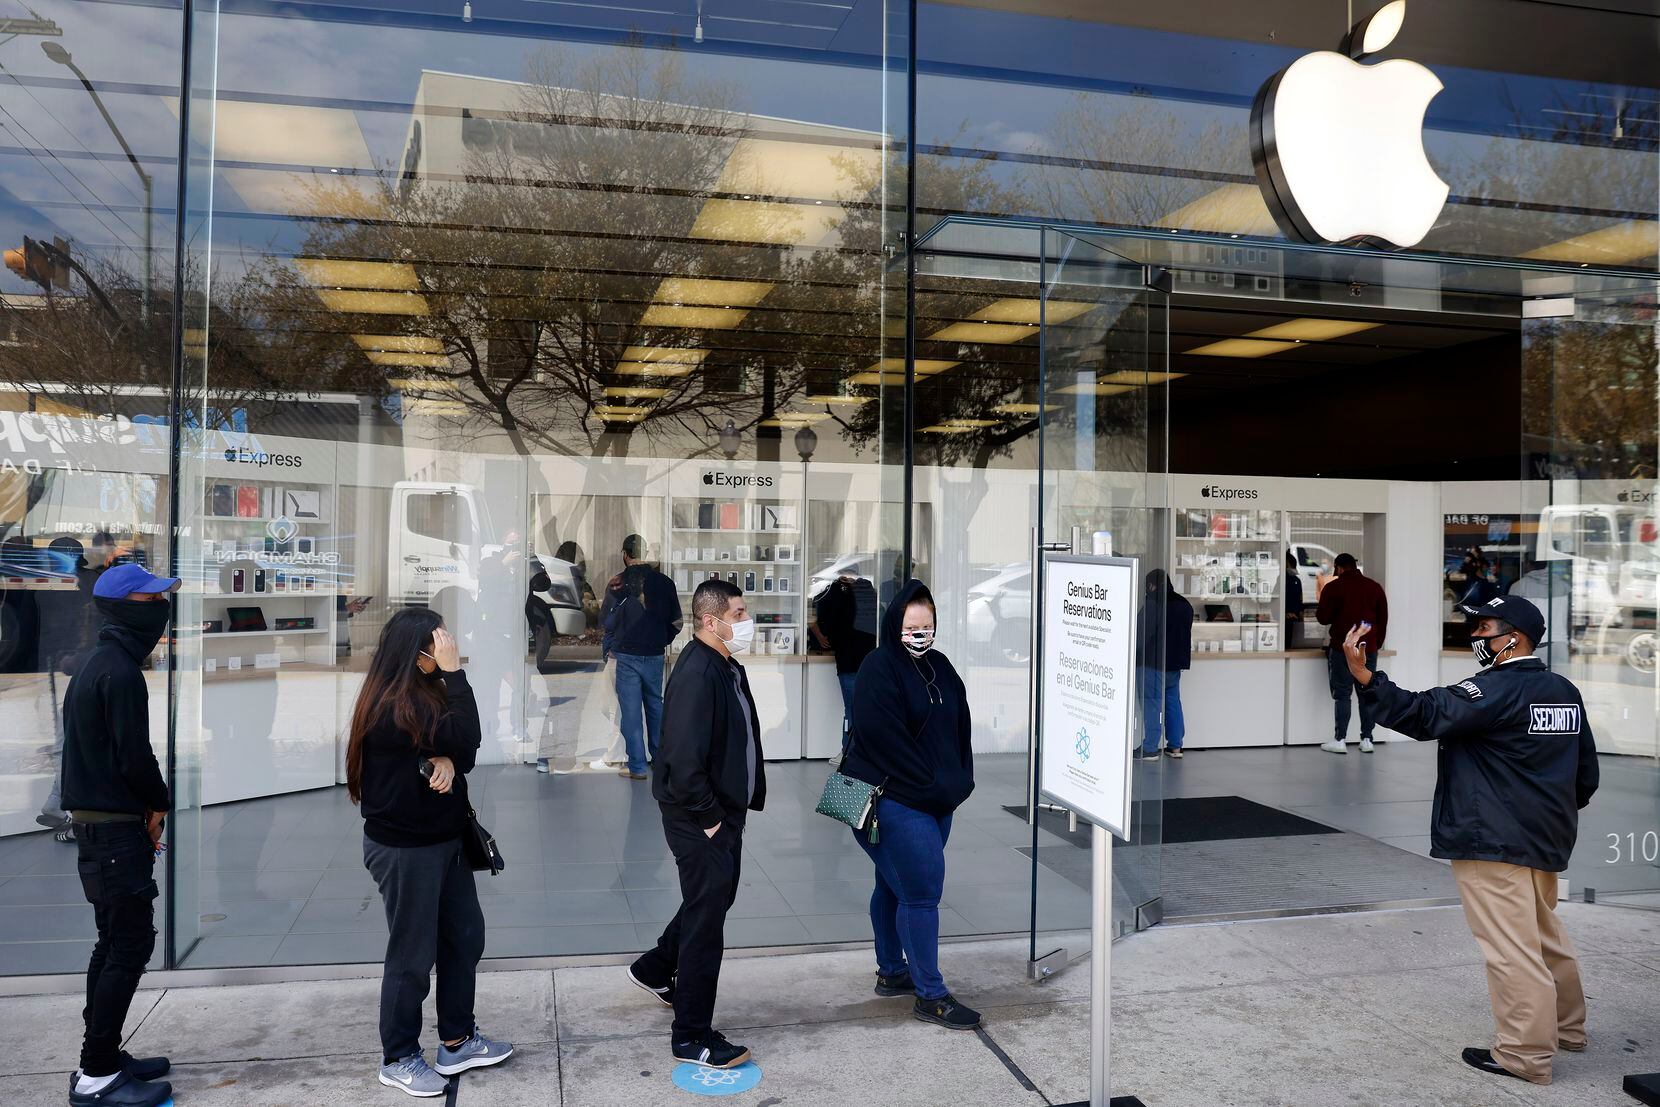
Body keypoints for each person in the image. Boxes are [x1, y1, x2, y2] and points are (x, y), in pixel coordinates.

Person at [1343, 594, 1597, 1086]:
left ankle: (1524, 1054)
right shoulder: (1563, 690)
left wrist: (1365, 675)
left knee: (1511, 948)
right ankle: (1568, 1028)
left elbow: (1423, 714)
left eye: (1484, 629)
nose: (1475, 637)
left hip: (1492, 840)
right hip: (1544, 836)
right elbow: (1585, 771)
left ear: (1515, 638)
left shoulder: (1492, 690)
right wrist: (1554, 813)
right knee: (1545, 935)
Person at [347, 608, 513, 1098]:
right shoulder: (395, 701)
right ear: (417, 652)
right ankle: (398, 1056)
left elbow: (462, 752)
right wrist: (456, 673)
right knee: (412, 955)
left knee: (464, 939)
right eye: (437, 644)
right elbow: (468, 736)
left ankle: (457, 1041)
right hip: (406, 849)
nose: (445, 649)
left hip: (445, 840)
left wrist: (442, 755)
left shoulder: (422, 693)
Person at [627, 580, 765, 1070]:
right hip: (700, 815)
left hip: (722, 810)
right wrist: (710, 820)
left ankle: (655, 966)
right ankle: (691, 1035)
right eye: (741, 611)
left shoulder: (724, 665)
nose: (748, 620)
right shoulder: (697, 673)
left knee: (714, 898)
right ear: (711, 620)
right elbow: (682, 758)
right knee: (707, 922)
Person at [60, 562, 178, 1107]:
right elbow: (135, 758)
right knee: (129, 944)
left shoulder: (96, 664)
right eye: (152, 600)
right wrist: (159, 806)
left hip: (99, 831)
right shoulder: (121, 673)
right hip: (114, 836)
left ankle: (102, 1052)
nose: (162, 609)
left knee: (113, 943)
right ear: (126, 606)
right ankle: (96, 1072)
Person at [839, 580, 981, 1030]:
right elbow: (884, 740)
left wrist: (958, 781)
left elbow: (961, 725)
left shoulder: (940, 665)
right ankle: (931, 995)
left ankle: (893, 971)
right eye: (911, 625)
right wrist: (933, 783)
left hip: (937, 801)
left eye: (927, 625)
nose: (920, 633)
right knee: (921, 896)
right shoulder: (879, 667)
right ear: (894, 624)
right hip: (893, 802)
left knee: (891, 886)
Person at [600, 535, 683, 780]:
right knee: (656, 708)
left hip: (626, 655)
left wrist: (613, 645)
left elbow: (606, 621)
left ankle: (637, 767)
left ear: (625, 554)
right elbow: (677, 622)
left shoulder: (618, 583)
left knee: (631, 712)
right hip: (655, 655)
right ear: (644, 553)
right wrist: (660, 640)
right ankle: (660, 763)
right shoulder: (665, 582)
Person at [1315, 552, 1388, 754]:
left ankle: (1340, 740)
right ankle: (1367, 739)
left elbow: (1323, 618)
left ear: (1338, 568)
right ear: (1354, 566)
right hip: (1368, 649)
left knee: (1342, 695)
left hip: (1342, 648)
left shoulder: (1334, 587)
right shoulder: (1374, 587)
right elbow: (1383, 618)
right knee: (1366, 694)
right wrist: (1376, 643)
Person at [1136, 569, 1193, 760]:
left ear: (1151, 586)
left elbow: (1142, 634)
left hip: (1152, 664)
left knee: (1152, 703)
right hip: (1175, 665)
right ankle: (1175, 747)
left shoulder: (1154, 603)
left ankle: (1150, 747)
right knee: (1172, 703)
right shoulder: (1185, 604)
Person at [812, 573, 878, 736]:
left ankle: (847, 751)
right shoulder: (872, 596)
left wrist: (821, 637)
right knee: (868, 710)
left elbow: (814, 616)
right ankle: (864, 753)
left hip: (847, 661)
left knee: (851, 710)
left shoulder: (836, 595)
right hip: (870, 663)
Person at [1285, 551, 1304, 646]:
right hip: (1286, 619)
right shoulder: (1282, 580)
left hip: (1294, 620)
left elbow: (1300, 601)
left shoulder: (1296, 581)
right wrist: (1284, 614)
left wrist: (1300, 618)